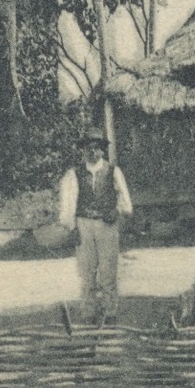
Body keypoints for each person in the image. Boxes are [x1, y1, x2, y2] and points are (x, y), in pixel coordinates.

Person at [57, 128, 133, 325]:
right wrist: (72, 227)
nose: (93, 152)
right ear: (83, 151)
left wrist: (115, 211)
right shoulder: (74, 175)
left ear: (102, 150)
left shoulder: (113, 171)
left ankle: (110, 312)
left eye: (97, 148)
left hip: (107, 226)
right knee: (86, 271)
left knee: (108, 270)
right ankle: (88, 313)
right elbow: (68, 204)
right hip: (84, 224)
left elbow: (126, 202)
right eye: (88, 149)